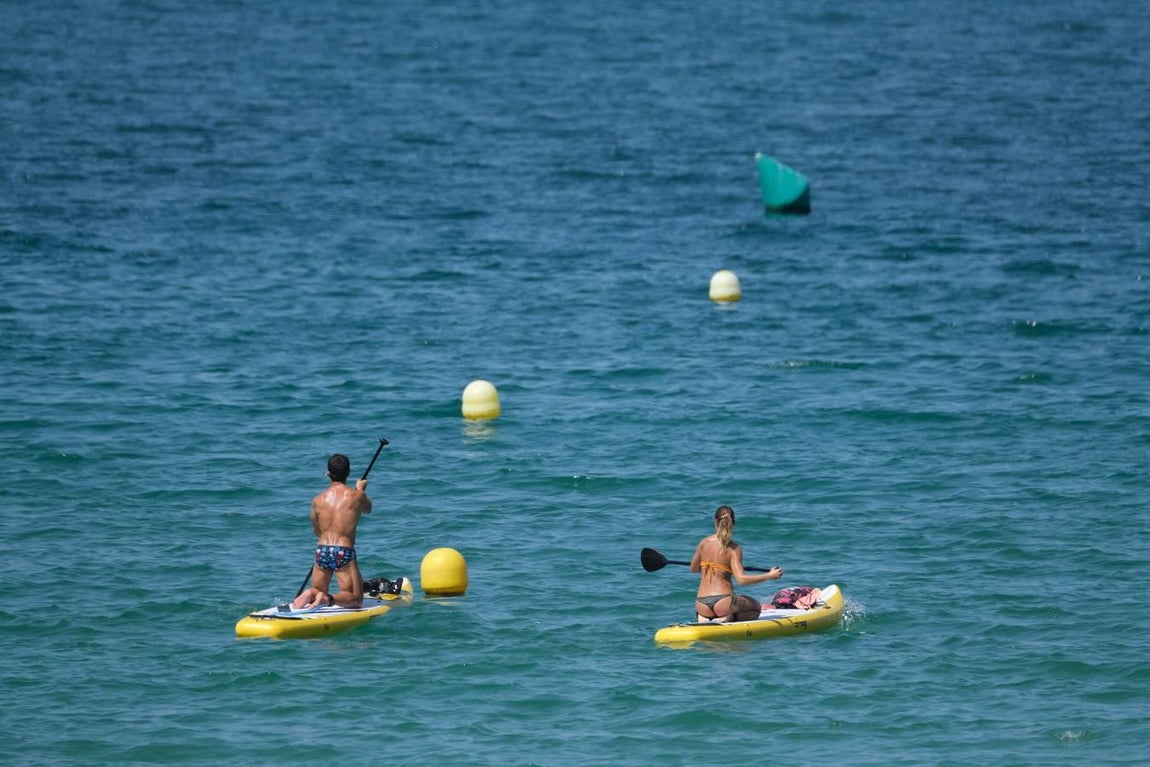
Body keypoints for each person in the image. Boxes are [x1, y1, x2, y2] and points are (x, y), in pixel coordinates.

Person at [292, 453, 372, 609]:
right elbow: (368, 509)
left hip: (322, 549)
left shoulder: (318, 500)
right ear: (348, 473)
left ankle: (312, 593)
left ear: (328, 473)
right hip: (343, 551)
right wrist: (361, 490)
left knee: (318, 588)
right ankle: (326, 599)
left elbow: (317, 531)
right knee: (356, 599)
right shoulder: (356, 496)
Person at [689, 505, 783, 622]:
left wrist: (717, 567)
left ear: (715, 522)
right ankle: (727, 617)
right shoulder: (734, 548)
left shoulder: (703, 543)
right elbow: (741, 580)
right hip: (723, 602)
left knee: (721, 607)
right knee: (755, 608)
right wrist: (769, 576)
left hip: (701, 604)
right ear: (733, 523)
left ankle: (706, 617)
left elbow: (694, 568)